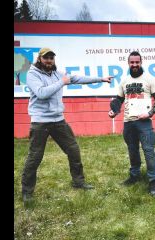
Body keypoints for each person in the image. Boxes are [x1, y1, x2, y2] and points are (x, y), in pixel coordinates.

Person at [21, 48, 113, 203]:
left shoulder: (57, 74)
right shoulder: (32, 74)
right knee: (35, 157)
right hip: (40, 121)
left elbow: (76, 78)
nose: (49, 60)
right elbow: (42, 93)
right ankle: (27, 192)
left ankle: (78, 182)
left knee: (73, 149)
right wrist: (61, 82)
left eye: (51, 58)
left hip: (58, 120)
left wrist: (100, 79)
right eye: (46, 58)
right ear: (39, 59)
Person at [108, 51, 155, 196]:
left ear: (141, 62)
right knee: (132, 150)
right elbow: (119, 100)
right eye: (132, 62)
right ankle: (135, 175)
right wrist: (114, 111)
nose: (134, 65)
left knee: (149, 151)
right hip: (128, 123)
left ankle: (154, 181)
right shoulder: (124, 81)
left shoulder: (150, 79)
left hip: (144, 122)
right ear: (128, 63)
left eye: (137, 62)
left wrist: (150, 113)